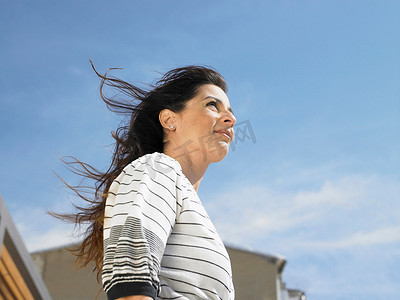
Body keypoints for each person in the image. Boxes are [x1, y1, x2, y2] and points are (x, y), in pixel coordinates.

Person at [56, 62, 236, 300]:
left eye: (231, 111)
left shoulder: (190, 206)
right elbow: (131, 286)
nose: (230, 119)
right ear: (169, 119)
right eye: (212, 105)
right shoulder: (158, 169)